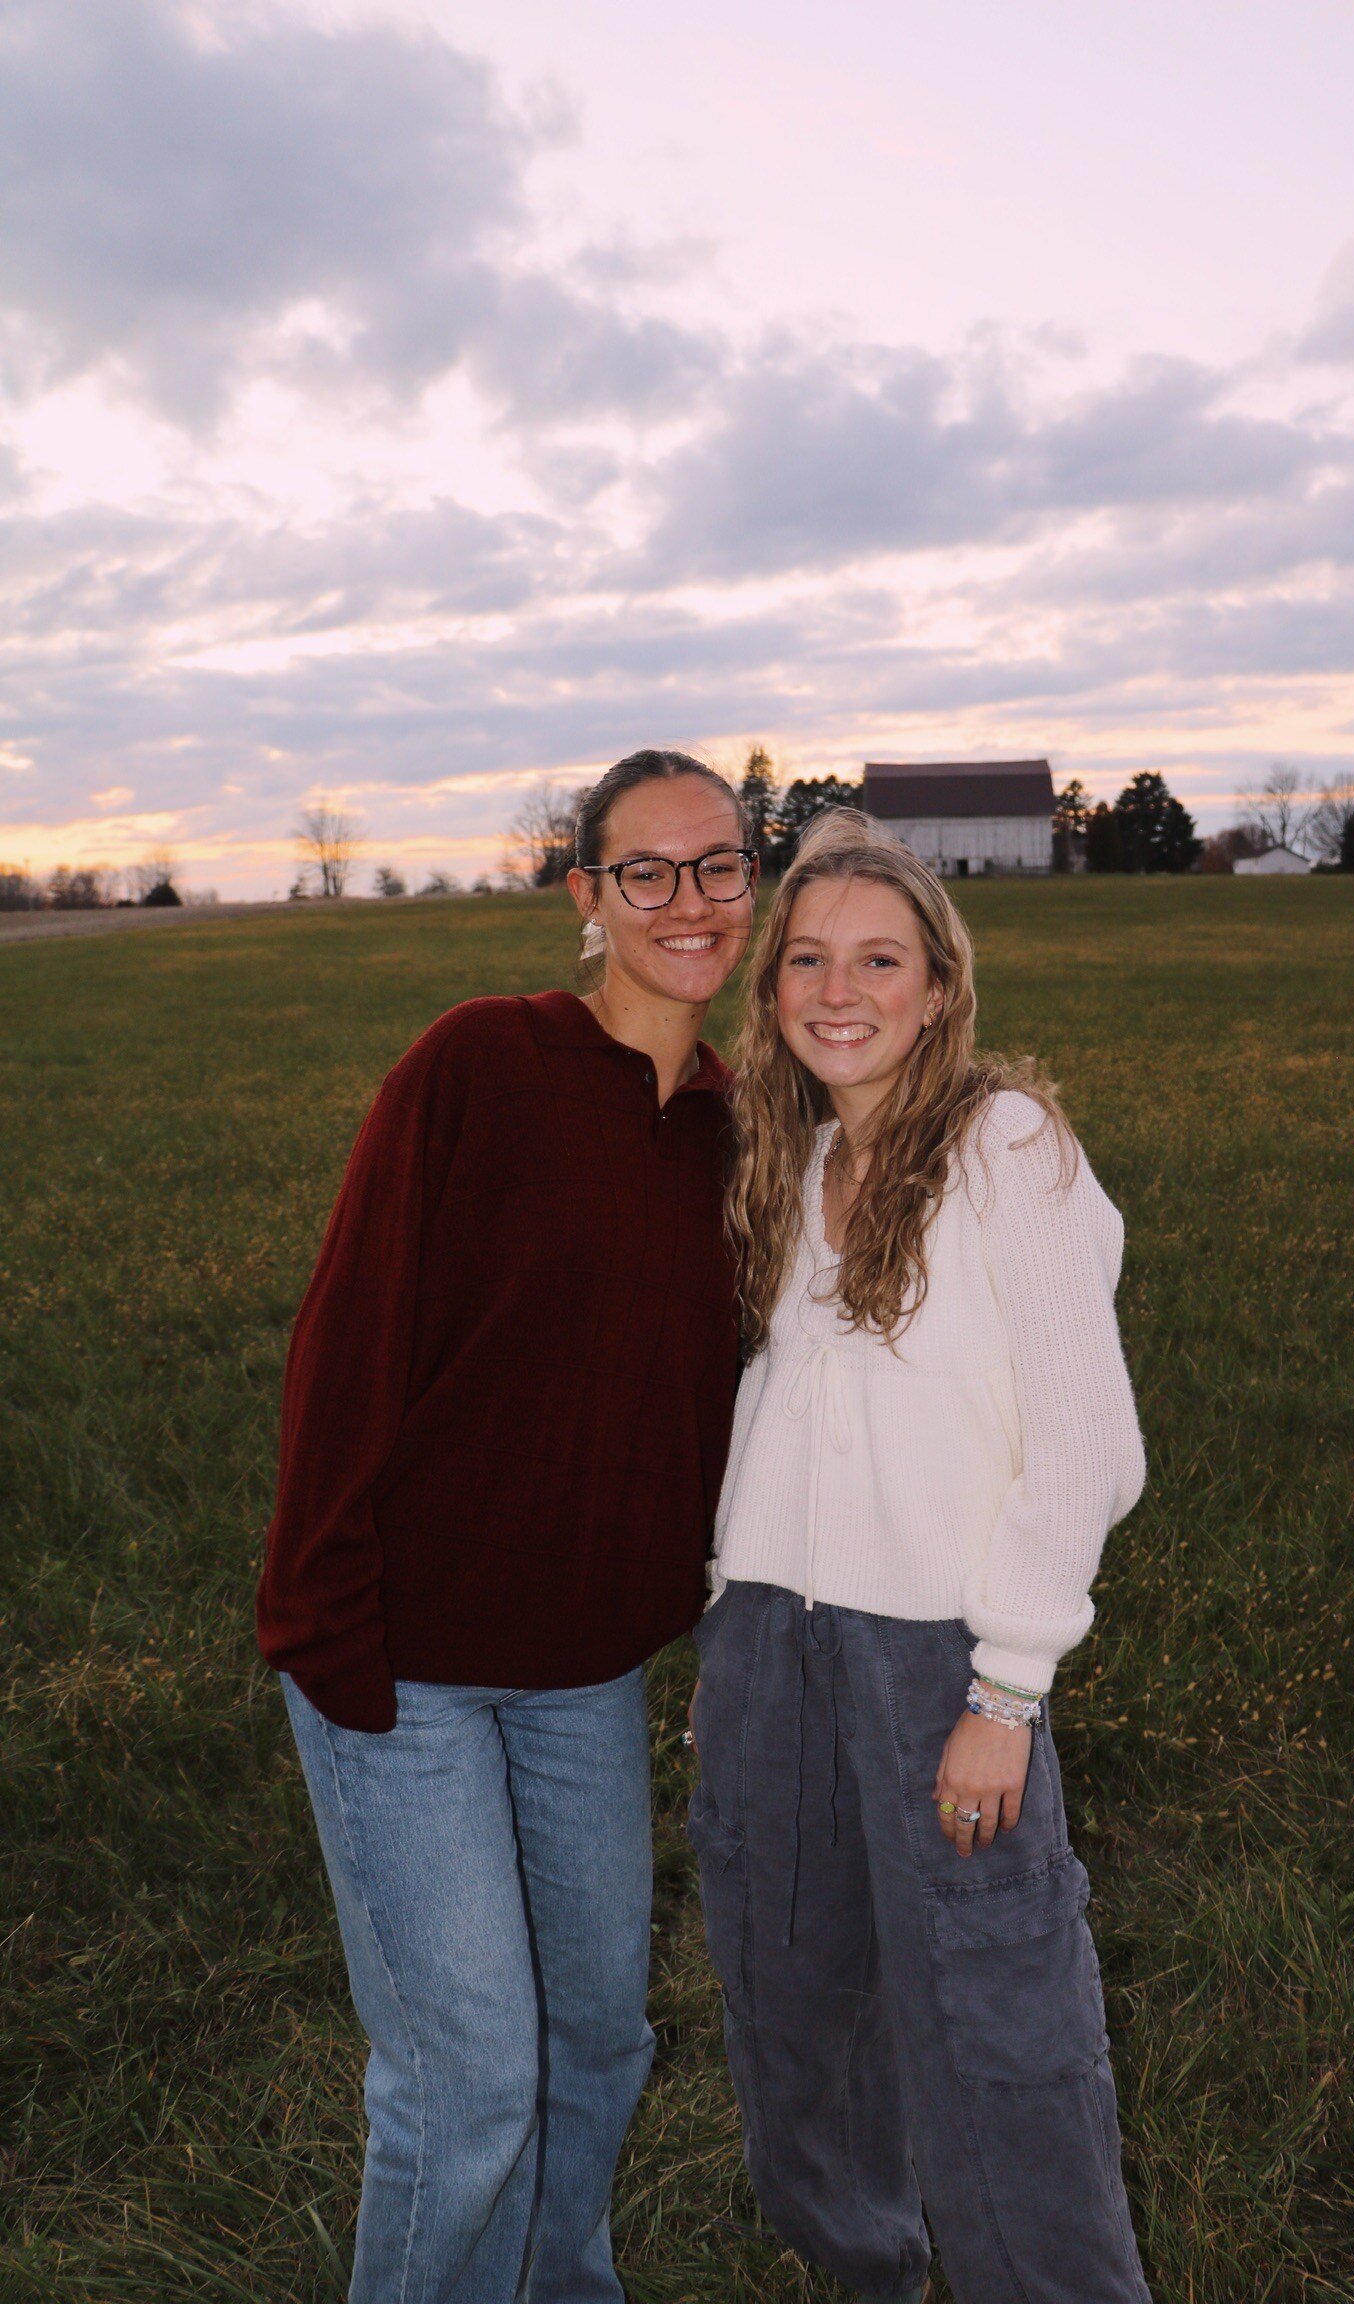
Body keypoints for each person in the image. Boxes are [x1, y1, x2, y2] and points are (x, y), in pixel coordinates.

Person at [258, 748, 757, 2304]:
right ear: (586, 898)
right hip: (399, 1662)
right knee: (468, 2080)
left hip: (586, 1672)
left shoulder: (741, 1136)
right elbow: (348, 1341)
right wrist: (325, 1625)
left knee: (601, 2037)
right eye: (647, 871)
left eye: (720, 865)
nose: (689, 901)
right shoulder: (479, 1064)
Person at [688, 809, 1152, 2304]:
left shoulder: (1004, 1144)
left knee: (994, 2025)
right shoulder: (790, 1153)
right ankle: (872, 2272)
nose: (841, 988)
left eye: (879, 958)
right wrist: (729, 1631)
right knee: (788, 2014)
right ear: (771, 991)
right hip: (768, 1646)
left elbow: (1087, 1445)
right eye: (807, 958)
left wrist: (1004, 1692)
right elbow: (772, 1419)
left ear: (939, 984)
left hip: (934, 1660)